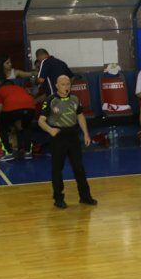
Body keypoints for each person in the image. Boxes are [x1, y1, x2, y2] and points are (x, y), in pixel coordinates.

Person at [37, 75, 96, 209]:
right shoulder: (51, 100)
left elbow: (80, 116)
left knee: (79, 167)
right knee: (57, 168)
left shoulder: (75, 99)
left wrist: (86, 134)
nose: (66, 87)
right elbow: (41, 120)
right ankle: (58, 198)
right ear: (57, 86)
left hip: (73, 136)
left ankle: (85, 196)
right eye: (63, 84)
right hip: (58, 136)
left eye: (68, 84)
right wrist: (50, 130)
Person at [0, 80, 36, 161]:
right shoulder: (20, 88)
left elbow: (0, 108)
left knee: (1, 127)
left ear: (2, 86)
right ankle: (28, 152)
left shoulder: (0, 90)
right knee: (26, 127)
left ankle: (8, 153)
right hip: (31, 108)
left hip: (12, 109)